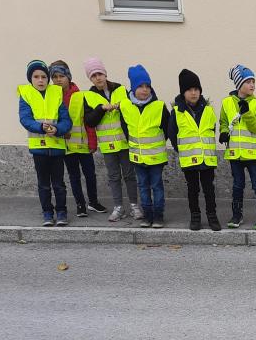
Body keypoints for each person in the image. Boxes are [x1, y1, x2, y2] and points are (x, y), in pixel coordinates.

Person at [83, 57, 143, 222]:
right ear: (90, 78)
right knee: (114, 177)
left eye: (100, 74)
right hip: (107, 144)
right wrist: (101, 109)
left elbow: (133, 108)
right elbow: (89, 121)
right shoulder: (88, 96)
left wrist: (121, 107)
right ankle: (118, 207)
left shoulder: (121, 89)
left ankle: (134, 206)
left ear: (105, 74)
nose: (98, 78)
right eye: (93, 75)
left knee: (129, 175)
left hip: (124, 141)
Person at [48, 60, 106, 218]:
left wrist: (92, 142)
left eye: (61, 76)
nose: (58, 80)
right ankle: (80, 205)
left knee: (90, 174)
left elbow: (88, 122)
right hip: (66, 146)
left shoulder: (80, 95)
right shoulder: (52, 97)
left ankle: (93, 202)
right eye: (55, 77)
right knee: (74, 176)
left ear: (68, 76)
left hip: (83, 144)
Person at [18, 59, 72, 226]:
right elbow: (25, 119)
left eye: (43, 77)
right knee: (43, 185)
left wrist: (58, 129)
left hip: (56, 147)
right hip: (39, 149)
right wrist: (40, 127)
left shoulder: (56, 93)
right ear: (30, 78)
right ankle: (47, 213)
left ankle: (61, 212)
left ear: (48, 78)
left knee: (59, 184)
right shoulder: (25, 94)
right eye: (36, 77)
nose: (40, 80)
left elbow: (66, 120)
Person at [168, 68, 221, 231]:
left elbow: (212, 130)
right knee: (193, 189)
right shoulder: (177, 112)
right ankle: (195, 217)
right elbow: (172, 134)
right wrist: (183, 149)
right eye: (189, 89)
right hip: (189, 158)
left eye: (196, 89)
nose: (193, 93)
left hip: (207, 158)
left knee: (209, 189)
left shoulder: (208, 109)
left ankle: (212, 216)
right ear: (183, 92)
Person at [118, 64, 169, 228]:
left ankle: (158, 215)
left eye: (148, 86)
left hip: (156, 157)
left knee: (157, 186)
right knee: (143, 186)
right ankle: (147, 215)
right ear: (133, 88)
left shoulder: (159, 106)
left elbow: (167, 128)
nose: (145, 90)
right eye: (140, 86)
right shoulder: (125, 106)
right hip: (137, 157)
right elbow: (125, 128)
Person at [219, 64, 256, 230]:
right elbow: (224, 122)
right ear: (239, 84)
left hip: (253, 154)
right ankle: (237, 215)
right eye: (248, 82)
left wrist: (247, 113)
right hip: (235, 154)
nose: (252, 85)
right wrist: (224, 132)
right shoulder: (226, 103)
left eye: (253, 81)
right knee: (237, 185)